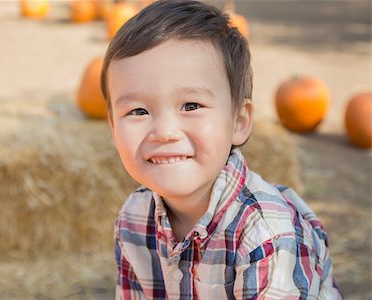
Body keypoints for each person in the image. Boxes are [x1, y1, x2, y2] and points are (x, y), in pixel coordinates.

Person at [100, 0, 343, 299]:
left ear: (238, 122)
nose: (163, 132)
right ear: (113, 127)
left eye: (191, 105)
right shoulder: (133, 218)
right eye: (138, 111)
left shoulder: (267, 235)